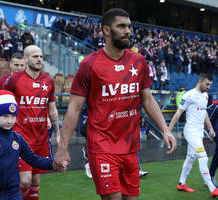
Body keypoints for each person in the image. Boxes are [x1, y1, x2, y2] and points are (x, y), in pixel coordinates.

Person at [54, 8, 176, 200]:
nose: (127, 31)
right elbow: (74, 108)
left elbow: (147, 99)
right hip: (102, 146)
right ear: (106, 30)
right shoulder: (89, 64)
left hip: (130, 146)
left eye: (129, 26)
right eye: (121, 26)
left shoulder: (138, 61)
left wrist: (165, 130)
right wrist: (62, 148)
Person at [0, 90, 62, 200]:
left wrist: (53, 164)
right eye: (5, 116)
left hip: (13, 193)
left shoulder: (17, 139)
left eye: (13, 116)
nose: (9, 120)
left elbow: (33, 159)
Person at [4, 45, 60, 200]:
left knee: (35, 181)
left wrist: (58, 134)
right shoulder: (14, 80)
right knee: (25, 180)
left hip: (41, 138)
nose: (39, 59)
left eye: (41, 56)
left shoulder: (48, 80)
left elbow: (52, 108)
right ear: (26, 59)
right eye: (35, 56)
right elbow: (2, 102)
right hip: (21, 137)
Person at [168, 73, 218, 197]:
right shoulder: (188, 95)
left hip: (199, 132)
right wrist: (168, 131)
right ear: (199, 82)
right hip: (191, 132)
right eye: (207, 84)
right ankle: (212, 189)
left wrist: (210, 127)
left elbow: (204, 111)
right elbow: (178, 113)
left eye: (210, 84)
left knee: (190, 158)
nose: (209, 87)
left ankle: (181, 183)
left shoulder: (205, 95)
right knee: (203, 157)